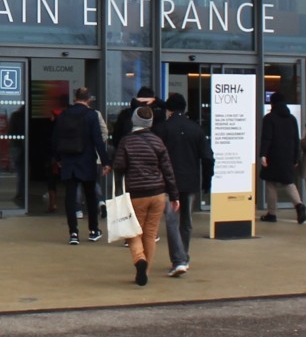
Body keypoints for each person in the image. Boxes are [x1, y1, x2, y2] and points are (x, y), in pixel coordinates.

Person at [112, 102, 176, 285]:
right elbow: (168, 170)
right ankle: (145, 272)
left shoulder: (127, 141)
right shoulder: (158, 141)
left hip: (136, 193)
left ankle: (139, 259)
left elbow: (119, 166)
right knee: (150, 233)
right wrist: (174, 195)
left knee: (133, 231)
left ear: (134, 120)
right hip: (158, 194)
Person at [158, 93, 210, 272]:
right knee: (186, 221)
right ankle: (184, 255)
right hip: (190, 180)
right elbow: (208, 157)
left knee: (172, 220)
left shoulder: (163, 129)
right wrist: (206, 181)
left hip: (168, 181)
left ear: (169, 110)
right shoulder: (196, 129)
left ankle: (178, 259)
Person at [51, 86, 110, 244]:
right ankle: (93, 230)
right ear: (88, 99)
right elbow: (98, 140)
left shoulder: (63, 115)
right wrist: (105, 162)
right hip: (87, 161)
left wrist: (58, 159)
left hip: (68, 161)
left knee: (70, 198)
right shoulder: (91, 115)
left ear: (75, 98)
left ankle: (73, 234)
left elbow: (55, 139)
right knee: (90, 196)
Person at [258, 93, 304, 224]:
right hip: (288, 156)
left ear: (272, 103)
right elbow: (296, 140)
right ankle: (299, 205)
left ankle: (272, 213)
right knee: (288, 182)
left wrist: (263, 154)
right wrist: (296, 158)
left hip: (273, 156)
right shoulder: (292, 119)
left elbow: (267, 138)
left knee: (270, 183)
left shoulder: (269, 118)